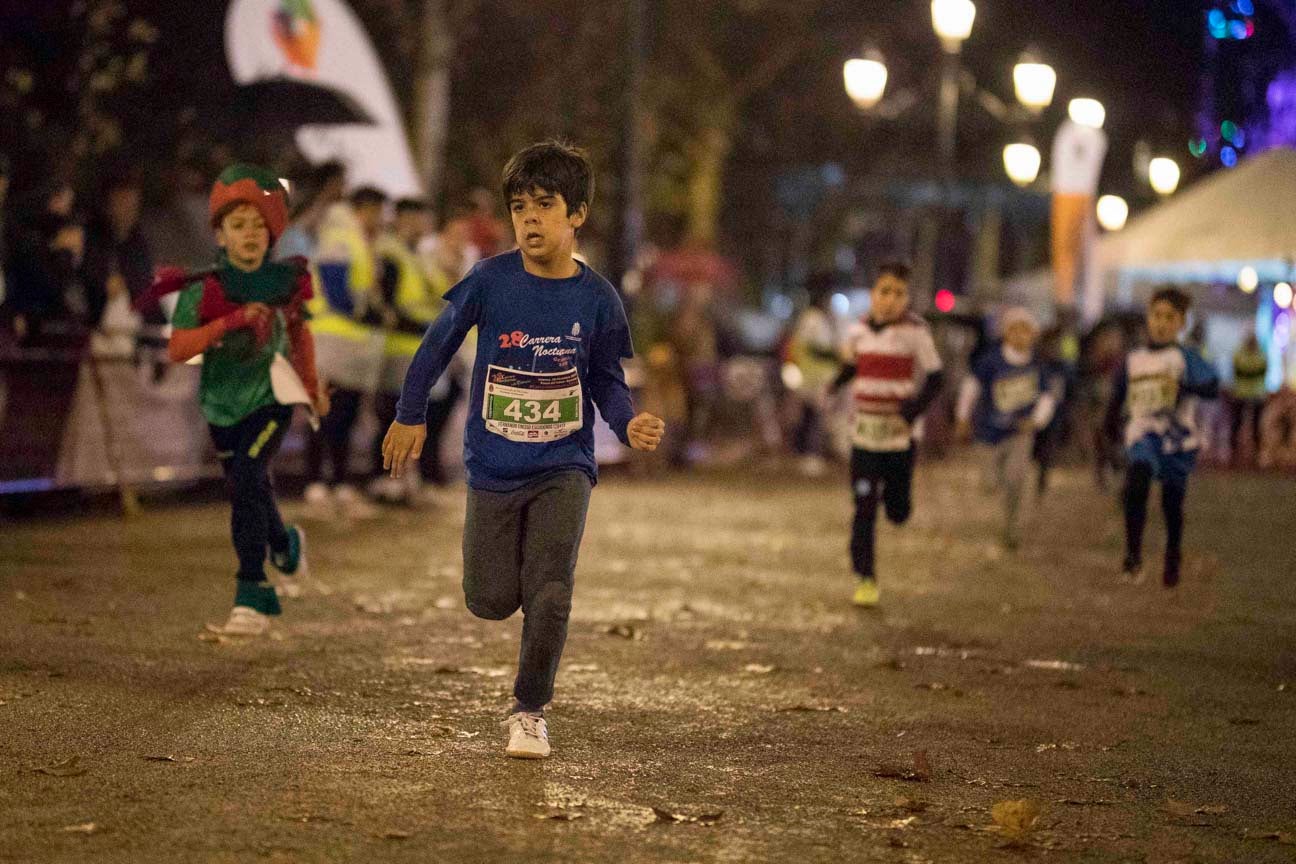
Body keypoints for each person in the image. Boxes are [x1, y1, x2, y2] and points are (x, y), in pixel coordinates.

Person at [382, 141, 665, 759]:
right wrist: (409, 415)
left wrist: (626, 423)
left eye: (545, 204)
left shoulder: (598, 299)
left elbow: (606, 381)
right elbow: (433, 348)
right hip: (492, 466)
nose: (530, 219)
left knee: (551, 591)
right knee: (488, 600)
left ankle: (529, 709)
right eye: (519, 207)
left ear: (577, 215)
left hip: (564, 466)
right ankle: (511, 613)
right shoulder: (489, 280)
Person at [142, 163, 328, 635]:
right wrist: (232, 321)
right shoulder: (204, 289)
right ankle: (285, 546)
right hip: (220, 404)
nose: (250, 234)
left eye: (258, 226)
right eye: (238, 225)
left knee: (248, 474)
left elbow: (300, 334)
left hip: (272, 396)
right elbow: (180, 348)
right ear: (220, 236)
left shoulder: (285, 282)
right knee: (249, 486)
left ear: (271, 234)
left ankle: (251, 592)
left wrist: (312, 388)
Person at [830, 261, 943, 608]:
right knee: (863, 507)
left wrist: (909, 413)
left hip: (899, 438)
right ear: (873, 294)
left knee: (896, 511)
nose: (890, 299)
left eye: (898, 293)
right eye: (884, 291)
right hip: (864, 436)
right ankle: (865, 577)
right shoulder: (857, 332)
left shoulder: (916, 332)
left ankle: (893, 500)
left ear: (906, 297)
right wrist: (834, 384)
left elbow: (937, 379)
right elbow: (853, 367)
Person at [1104, 286, 1219, 588]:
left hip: (1177, 439)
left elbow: (1213, 387)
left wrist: (1185, 386)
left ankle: (1172, 554)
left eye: (1170, 317)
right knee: (1137, 481)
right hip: (1143, 433)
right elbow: (1117, 398)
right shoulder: (1134, 359)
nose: (1162, 322)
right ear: (1148, 318)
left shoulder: (1185, 357)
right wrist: (1110, 432)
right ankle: (1132, 556)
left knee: (1172, 503)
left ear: (1182, 323)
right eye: (1157, 315)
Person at [303, 186, 388, 519]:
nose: (381, 219)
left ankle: (338, 480)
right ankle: (315, 481)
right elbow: (337, 292)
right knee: (325, 412)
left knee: (347, 415)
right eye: (377, 211)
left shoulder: (361, 241)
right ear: (363, 209)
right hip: (330, 340)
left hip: (351, 344)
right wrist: (364, 313)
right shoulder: (338, 236)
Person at [955, 307, 1058, 551]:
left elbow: (1047, 398)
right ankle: (997, 491)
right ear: (1005, 333)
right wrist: (962, 418)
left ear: (1033, 335)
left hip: (1020, 434)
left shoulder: (1038, 365)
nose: (1020, 335)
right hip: (988, 434)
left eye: (1025, 330)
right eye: (1014, 329)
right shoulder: (991, 361)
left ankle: (1011, 528)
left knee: (1016, 479)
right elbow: (971, 388)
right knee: (990, 483)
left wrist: (1036, 421)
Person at [368, 197, 444, 502]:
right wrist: (423, 327)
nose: (423, 225)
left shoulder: (416, 254)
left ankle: (405, 478)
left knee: (416, 415)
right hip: (397, 346)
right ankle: (384, 478)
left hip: (418, 348)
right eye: (417, 218)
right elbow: (388, 305)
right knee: (391, 415)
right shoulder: (390, 253)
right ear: (402, 219)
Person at [786, 273, 842, 476]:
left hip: (818, 376)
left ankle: (808, 453)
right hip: (813, 377)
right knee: (814, 417)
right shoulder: (813, 318)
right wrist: (837, 355)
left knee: (811, 416)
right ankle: (810, 455)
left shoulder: (822, 318)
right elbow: (814, 348)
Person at [1229, 332, 1268, 465]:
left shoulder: (1260, 354)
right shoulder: (1241, 353)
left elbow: (1254, 372)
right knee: (1237, 424)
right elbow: (1241, 371)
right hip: (1242, 394)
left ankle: (1257, 452)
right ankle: (1233, 451)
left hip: (1256, 394)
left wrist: (1248, 371)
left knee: (1256, 426)